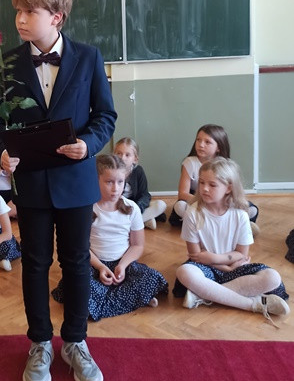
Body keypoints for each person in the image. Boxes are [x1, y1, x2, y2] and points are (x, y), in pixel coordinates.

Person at [0, 0, 116, 381]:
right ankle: (40, 342)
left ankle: (76, 341)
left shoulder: (89, 57)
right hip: (32, 184)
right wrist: (2, 151)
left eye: (30, 12)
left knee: (76, 262)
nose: (20, 19)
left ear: (57, 17)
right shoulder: (8, 62)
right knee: (35, 263)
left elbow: (105, 116)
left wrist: (88, 144)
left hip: (76, 181)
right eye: (18, 12)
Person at [174, 157, 289, 325]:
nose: (204, 188)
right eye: (202, 182)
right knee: (185, 272)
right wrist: (226, 266)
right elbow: (196, 256)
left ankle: (203, 296)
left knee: (272, 277)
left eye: (212, 185)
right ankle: (252, 304)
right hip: (206, 269)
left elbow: (242, 254)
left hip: (234, 267)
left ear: (228, 188)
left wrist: (215, 258)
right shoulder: (193, 213)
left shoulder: (240, 214)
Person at [52, 155, 167, 321]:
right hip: (93, 264)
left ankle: (103, 302)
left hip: (123, 263)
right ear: (95, 180)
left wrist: (122, 265)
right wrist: (100, 267)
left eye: (120, 182)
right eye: (109, 182)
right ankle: (134, 299)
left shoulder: (132, 208)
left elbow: (137, 245)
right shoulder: (87, 209)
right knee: (78, 284)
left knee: (151, 277)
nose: (116, 188)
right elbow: (81, 247)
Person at [167, 124, 259, 231]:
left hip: (221, 201)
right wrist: (205, 202)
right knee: (180, 206)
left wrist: (220, 202)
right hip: (198, 199)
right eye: (198, 140)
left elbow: (234, 193)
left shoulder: (226, 165)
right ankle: (214, 224)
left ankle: (238, 224)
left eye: (207, 142)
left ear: (218, 147)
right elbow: (182, 194)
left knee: (251, 209)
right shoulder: (190, 162)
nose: (201, 145)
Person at [114, 137, 167, 230]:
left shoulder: (138, 171)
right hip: (117, 207)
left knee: (161, 205)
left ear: (135, 159)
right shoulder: (111, 172)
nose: (122, 158)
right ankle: (142, 221)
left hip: (134, 206)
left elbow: (145, 194)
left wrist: (138, 208)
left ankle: (131, 223)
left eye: (127, 155)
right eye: (119, 153)